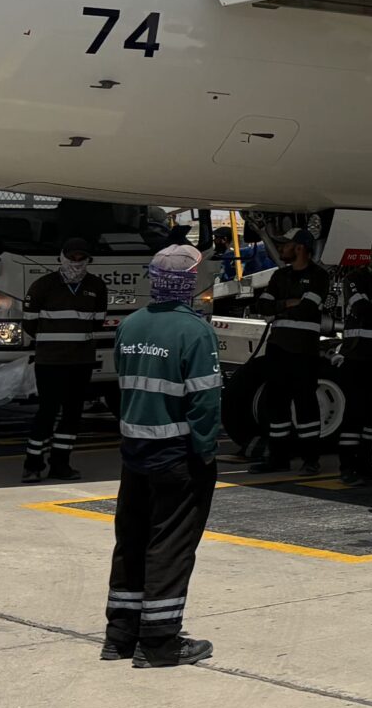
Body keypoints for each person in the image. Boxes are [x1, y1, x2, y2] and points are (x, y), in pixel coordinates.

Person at [105, 244, 222, 667]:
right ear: (188, 283)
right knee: (170, 546)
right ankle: (159, 643)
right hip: (177, 456)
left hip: (134, 452)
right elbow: (205, 402)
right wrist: (206, 452)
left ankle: (119, 635)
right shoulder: (195, 331)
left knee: (132, 540)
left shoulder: (131, 325)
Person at [21, 236, 107, 483]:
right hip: (50, 361)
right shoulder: (43, 285)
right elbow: (29, 323)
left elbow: (98, 320)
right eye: (72, 258)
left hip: (81, 361)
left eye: (82, 258)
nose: (77, 263)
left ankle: (61, 464)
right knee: (46, 412)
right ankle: (33, 464)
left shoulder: (96, 286)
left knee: (73, 413)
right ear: (62, 257)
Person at [251, 230, 331, 474]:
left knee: (305, 403)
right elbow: (261, 305)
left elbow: (307, 309)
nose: (281, 249)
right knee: (276, 404)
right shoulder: (279, 275)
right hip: (278, 348)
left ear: (299, 248)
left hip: (303, 350)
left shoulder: (319, 276)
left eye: (286, 245)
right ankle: (278, 457)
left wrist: (278, 308)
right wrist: (288, 303)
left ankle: (310, 459)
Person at [333, 271, 372, 487]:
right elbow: (363, 309)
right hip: (357, 357)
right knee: (354, 414)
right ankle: (348, 466)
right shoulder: (355, 278)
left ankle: (368, 466)